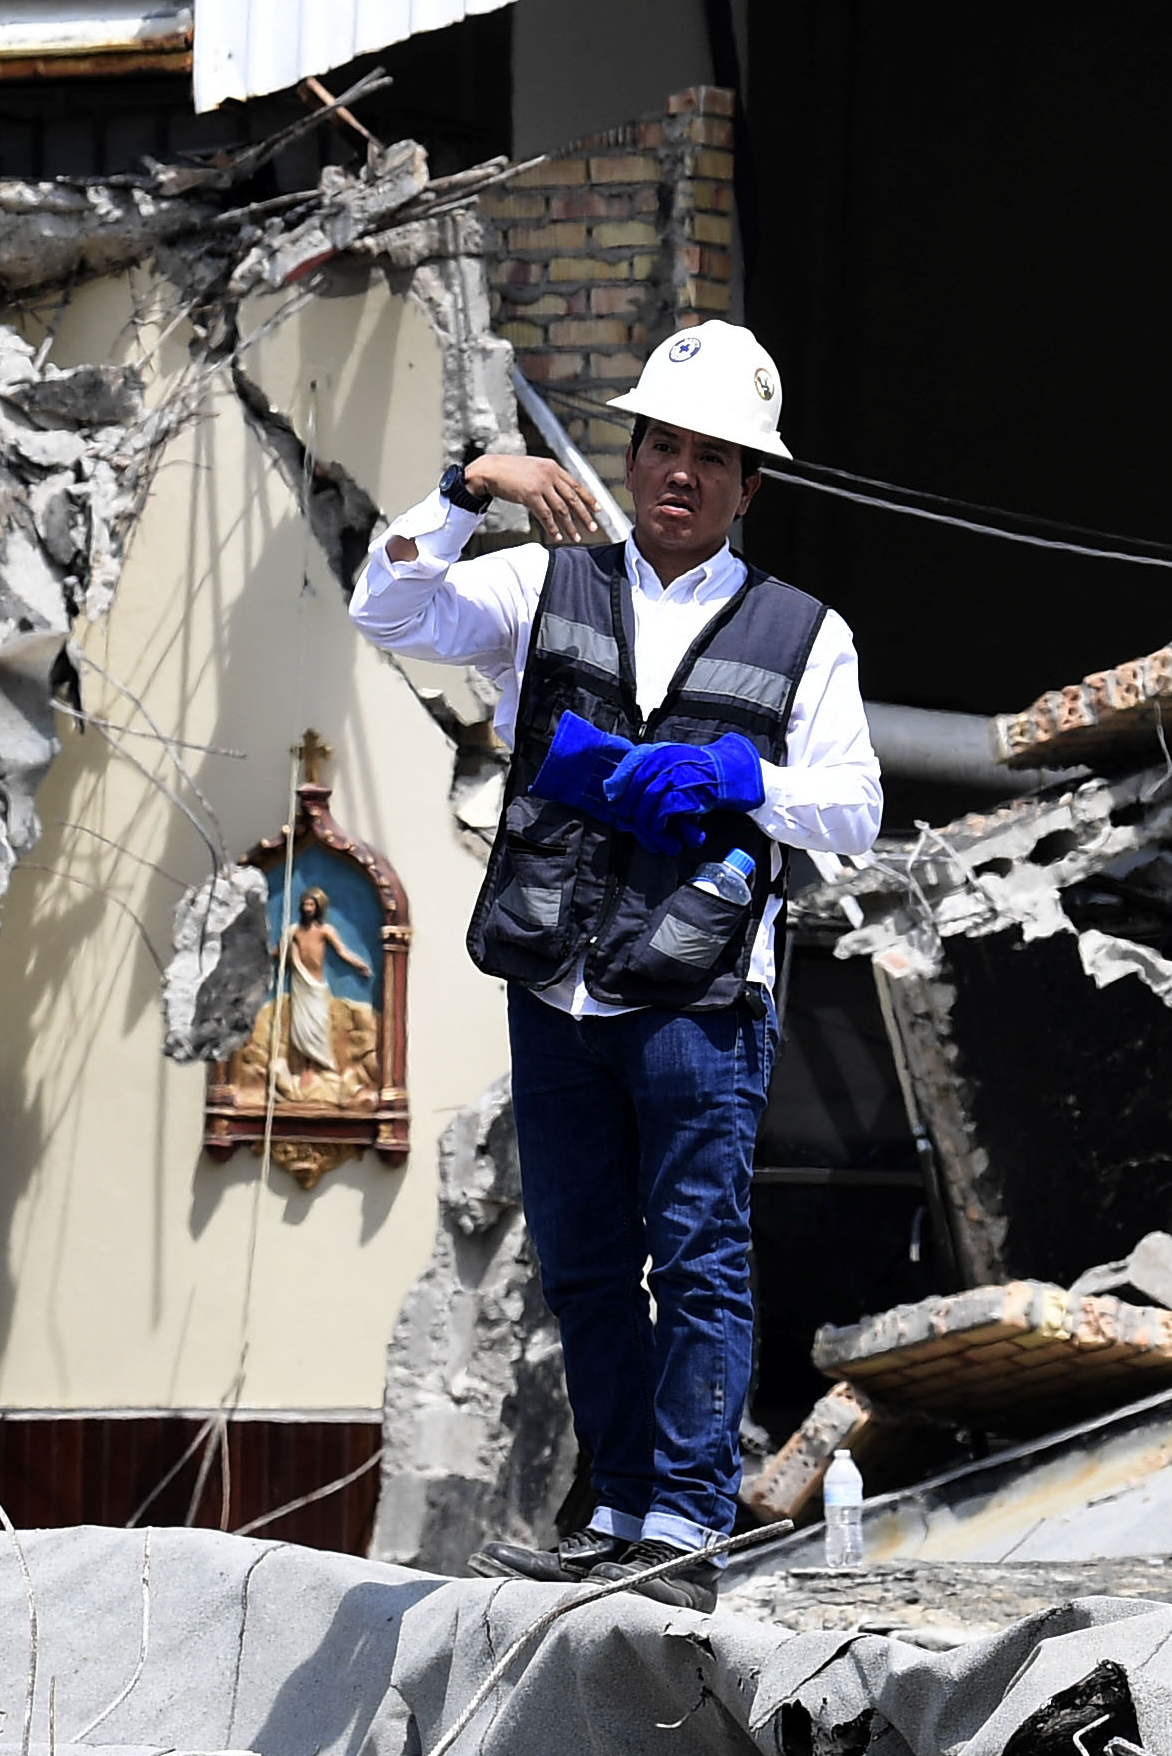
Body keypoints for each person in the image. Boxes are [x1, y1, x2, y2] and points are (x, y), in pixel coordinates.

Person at [350, 322, 883, 1603]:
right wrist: (474, 485)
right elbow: (388, 605)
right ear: (631, 454)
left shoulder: (806, 634)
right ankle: (621, 1506)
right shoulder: (544, 585)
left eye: (712, 456)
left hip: (701, 996)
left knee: (695, 1252)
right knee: (583, 1258)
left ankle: (687, 1523)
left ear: (752, 486)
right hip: (557, 984)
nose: (679, 474)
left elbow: (856, 813)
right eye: (660, 444)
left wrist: (749, 781)